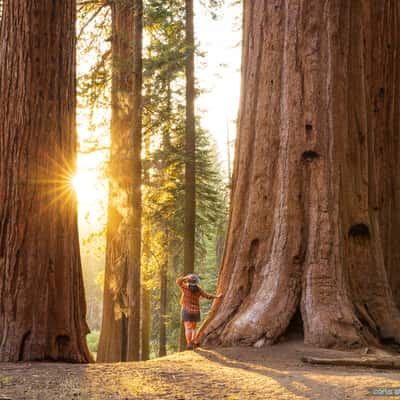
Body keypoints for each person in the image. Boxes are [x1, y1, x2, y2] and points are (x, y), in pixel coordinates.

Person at [176, 274, 223, 350]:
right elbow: (208, 296)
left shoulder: (185, 287)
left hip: (186, 310)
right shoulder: (199, 290)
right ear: (196, 282)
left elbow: (178, 281)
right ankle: (193, 342)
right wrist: (217, 297)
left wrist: (185, 278)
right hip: (195, 311)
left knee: (187, 328)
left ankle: (189, 344)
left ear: (189, 281)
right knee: (193, 328)